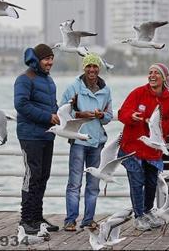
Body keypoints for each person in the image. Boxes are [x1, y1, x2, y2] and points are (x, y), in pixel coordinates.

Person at [117, 63, 169, 231]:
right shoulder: (138, 93)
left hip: (152, 148)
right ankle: (138, 217)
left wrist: (156, 126)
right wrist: (132, 116)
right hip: (133, 146)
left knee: (151, 182)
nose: (152, 75)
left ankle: (147, 211)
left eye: (156, 73)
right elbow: (122, 113)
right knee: (136, 180)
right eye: (150, 72)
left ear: (164, 78)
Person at [60, 53, 113, 231]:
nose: (92, 69)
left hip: (97, 142)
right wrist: (79, 114)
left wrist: (101, 115)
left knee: (93, 184)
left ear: (99, 68)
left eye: (95, 66)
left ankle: (88, 219)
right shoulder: (73, 87)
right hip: (78, 141)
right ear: (84, 68)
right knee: (74, 183)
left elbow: (109, 117)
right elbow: (61, 112)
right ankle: (70, 220)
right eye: (88, 66)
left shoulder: (106, 90)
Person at [14, 44, 60, 234]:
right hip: (29, 135)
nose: (50, 62)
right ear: (37, 60)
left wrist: (59, 114)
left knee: (43, 176)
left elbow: (52, 105)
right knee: (32, 177)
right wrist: (48, 117)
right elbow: (21, 105)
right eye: (46, 59)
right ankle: (26, 220)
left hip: (47, 135)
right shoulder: (24, 79)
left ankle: (37, 218)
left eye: (51, 58)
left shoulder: (48, 80)